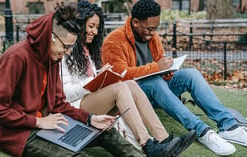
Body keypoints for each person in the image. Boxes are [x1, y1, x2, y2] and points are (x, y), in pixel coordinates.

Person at [0, 3, 145, 157]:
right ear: (52, 37)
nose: (67, 52)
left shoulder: (53, 58)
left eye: (71, 47)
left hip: (50, 123)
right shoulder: (16, 57)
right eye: (65, 46)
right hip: (16, 133)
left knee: (106, 131)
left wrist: (90, 119)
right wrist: (37, 122)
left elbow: (59, 104)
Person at [102, 0, 247, 156]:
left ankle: (229, 126)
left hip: (157, 88)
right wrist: (157, 68)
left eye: (155, 29)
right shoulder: (113, 40)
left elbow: (159, 61)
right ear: (136, 22)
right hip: (133, 97)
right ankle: (203, 132)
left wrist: (167, 71)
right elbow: (119, 76)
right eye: (149, 29)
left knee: (191, 74)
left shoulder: (152, 36)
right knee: (154, 82)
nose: (153, 33)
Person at [61, 1, 196, 157]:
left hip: (90, 100)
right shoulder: (65, 51)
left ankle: (163, 139)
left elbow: (90, 81)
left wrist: (101, 77)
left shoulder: (87, 50)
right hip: (76, 108)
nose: (95, 31)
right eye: (91, 26)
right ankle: (147, 145)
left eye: (97, 27)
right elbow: (66, 94)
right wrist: (94, 81)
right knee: (120, 88)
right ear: (78, 24)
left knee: (130, 84)